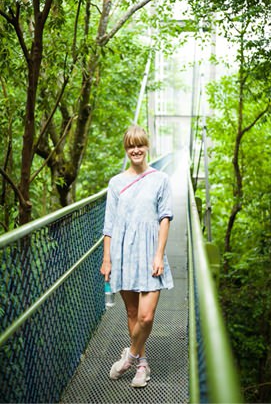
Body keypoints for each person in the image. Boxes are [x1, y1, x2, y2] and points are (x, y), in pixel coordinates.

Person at [99, 125, 174, 388]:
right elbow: (109, 225)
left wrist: (159, 255)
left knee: (146, 316)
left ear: (146, 146)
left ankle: (129, 356)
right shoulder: (116, 183)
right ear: (126, 149)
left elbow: (165, 218)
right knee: (132, 311)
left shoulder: (161, 179)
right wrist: (107, 259)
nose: (136, 150)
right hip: (123, 253)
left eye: (140, 144)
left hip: (150, 253)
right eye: (131, 146)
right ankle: (142, 365)